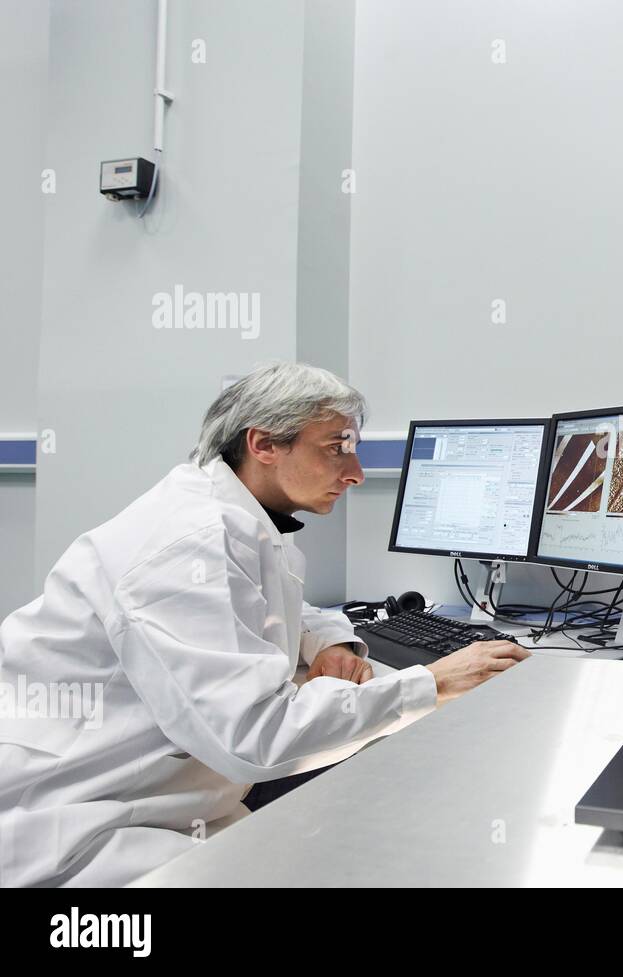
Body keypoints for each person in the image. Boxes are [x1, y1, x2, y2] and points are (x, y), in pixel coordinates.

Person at [0, 363, 528, 886]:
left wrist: (334, 641)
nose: (356, 473)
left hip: (172, 796)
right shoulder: (190, 545)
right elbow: (256, 737)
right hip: (82, 824)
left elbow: (277, 603)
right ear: (264, 445)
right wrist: (430, 685)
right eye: (337, 447)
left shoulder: (236, 517)